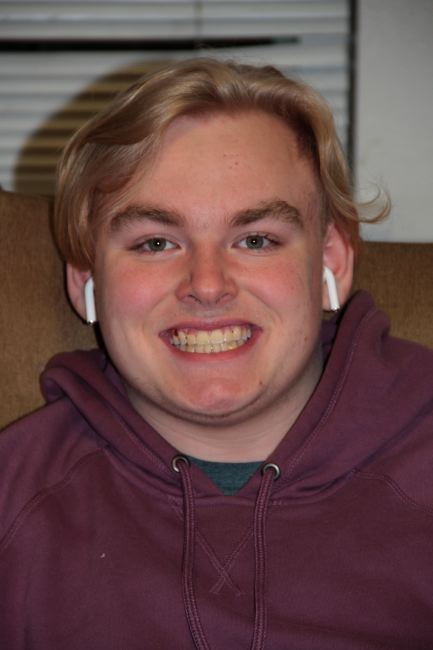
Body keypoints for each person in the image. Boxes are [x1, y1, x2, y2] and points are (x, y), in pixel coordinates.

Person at [1, 58, 433, 650]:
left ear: (331, 260)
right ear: (86, 280)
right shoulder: (13, 499)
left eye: (255, 239)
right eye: (156, 242)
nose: (207, 285)